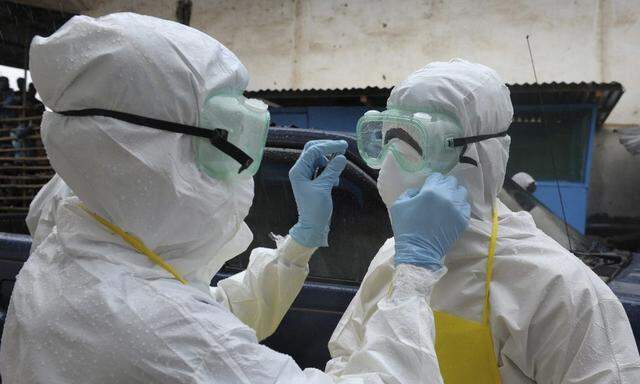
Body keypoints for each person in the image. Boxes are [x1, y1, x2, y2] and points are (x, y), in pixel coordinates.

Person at [0, 13, 467, 383]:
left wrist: (299, 244)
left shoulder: (76, 226)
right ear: (141, 151)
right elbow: (193, 342)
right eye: (235, 135)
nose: (249, 161)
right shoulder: (153, 331)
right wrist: (415, 272)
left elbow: (210, 315)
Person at [326, 59, 640, 383]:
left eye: (414, 145)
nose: (390, 167)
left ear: (478, 158)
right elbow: (346, 362)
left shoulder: (557, 289)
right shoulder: (394, 259)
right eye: (389, 139)